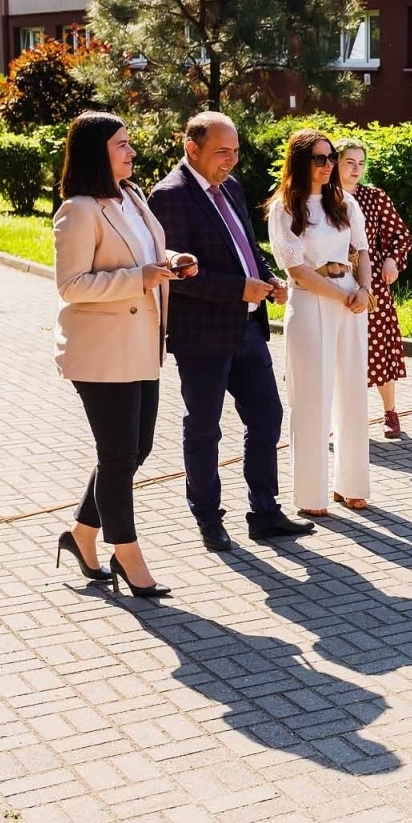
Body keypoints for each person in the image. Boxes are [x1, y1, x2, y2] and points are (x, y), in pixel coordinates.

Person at [149, 112, 315, 551]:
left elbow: (247, 247)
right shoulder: (169, 197)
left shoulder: (233, 189)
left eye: (236, 151)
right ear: (192, 149)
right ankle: (208, 518)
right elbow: (178, 275)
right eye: (222, 152)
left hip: (247, 329)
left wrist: (268, 278)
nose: (232, 160)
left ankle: (264, 513)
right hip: (202, 335)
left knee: (267, 417)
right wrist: (242, 287)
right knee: (204, 428)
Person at [53, 112, 192, 598]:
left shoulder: (131, 197)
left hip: (141, 346)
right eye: (122, 144)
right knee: (118, 455)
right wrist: (141, 278)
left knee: (138, 449)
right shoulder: (79, 210)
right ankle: (126, 553)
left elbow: (145, 253)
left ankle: (82, 534)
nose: (132, 151)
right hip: (101, 353)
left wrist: (171, 261)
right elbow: (71, 286)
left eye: (130, 143)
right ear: (98, 152)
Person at [266, 129, 373, 517]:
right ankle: (311, 494)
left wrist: (363, 288)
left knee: (352, 392)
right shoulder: (284, 208)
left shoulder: (344, 202)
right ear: (300, 162)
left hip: (351, 303)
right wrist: (343, 293)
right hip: (312, 303)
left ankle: (352, 484)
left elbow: (362, 251)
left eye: (330, 158)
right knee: (312, 398)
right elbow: (296, 271)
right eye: (320, 158)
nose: (328, 166)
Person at [335, 138, 412, 439]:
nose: (356, 169)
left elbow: (400, 235)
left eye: (361, 163)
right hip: (332, 281)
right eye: (349, 162)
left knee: (378, 345)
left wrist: (392, 259)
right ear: (335, 163)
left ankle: (390, 411)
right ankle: (339, 417)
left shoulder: (375, 197)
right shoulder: (323, 198)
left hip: (372, 283)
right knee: (337, 348)